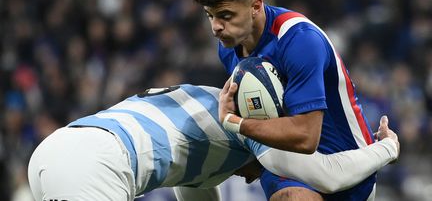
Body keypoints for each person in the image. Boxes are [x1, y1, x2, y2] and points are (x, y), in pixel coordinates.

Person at [192, 0, 391, 200]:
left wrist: (236, 124)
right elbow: (264, 112)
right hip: (287, 171)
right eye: (209, 15)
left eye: (225, 15)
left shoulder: (299, 40)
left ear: (256, 6)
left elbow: (306, 137)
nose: (215, 27)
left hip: (344, 166)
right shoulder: (228, 47)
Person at [28, 84, 399, 201]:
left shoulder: (199, 116)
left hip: (54, 151)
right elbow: (328, 176)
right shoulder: (248, 123)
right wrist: (386, 149)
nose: (257, 178)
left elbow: (199, 194)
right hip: (96, 165)